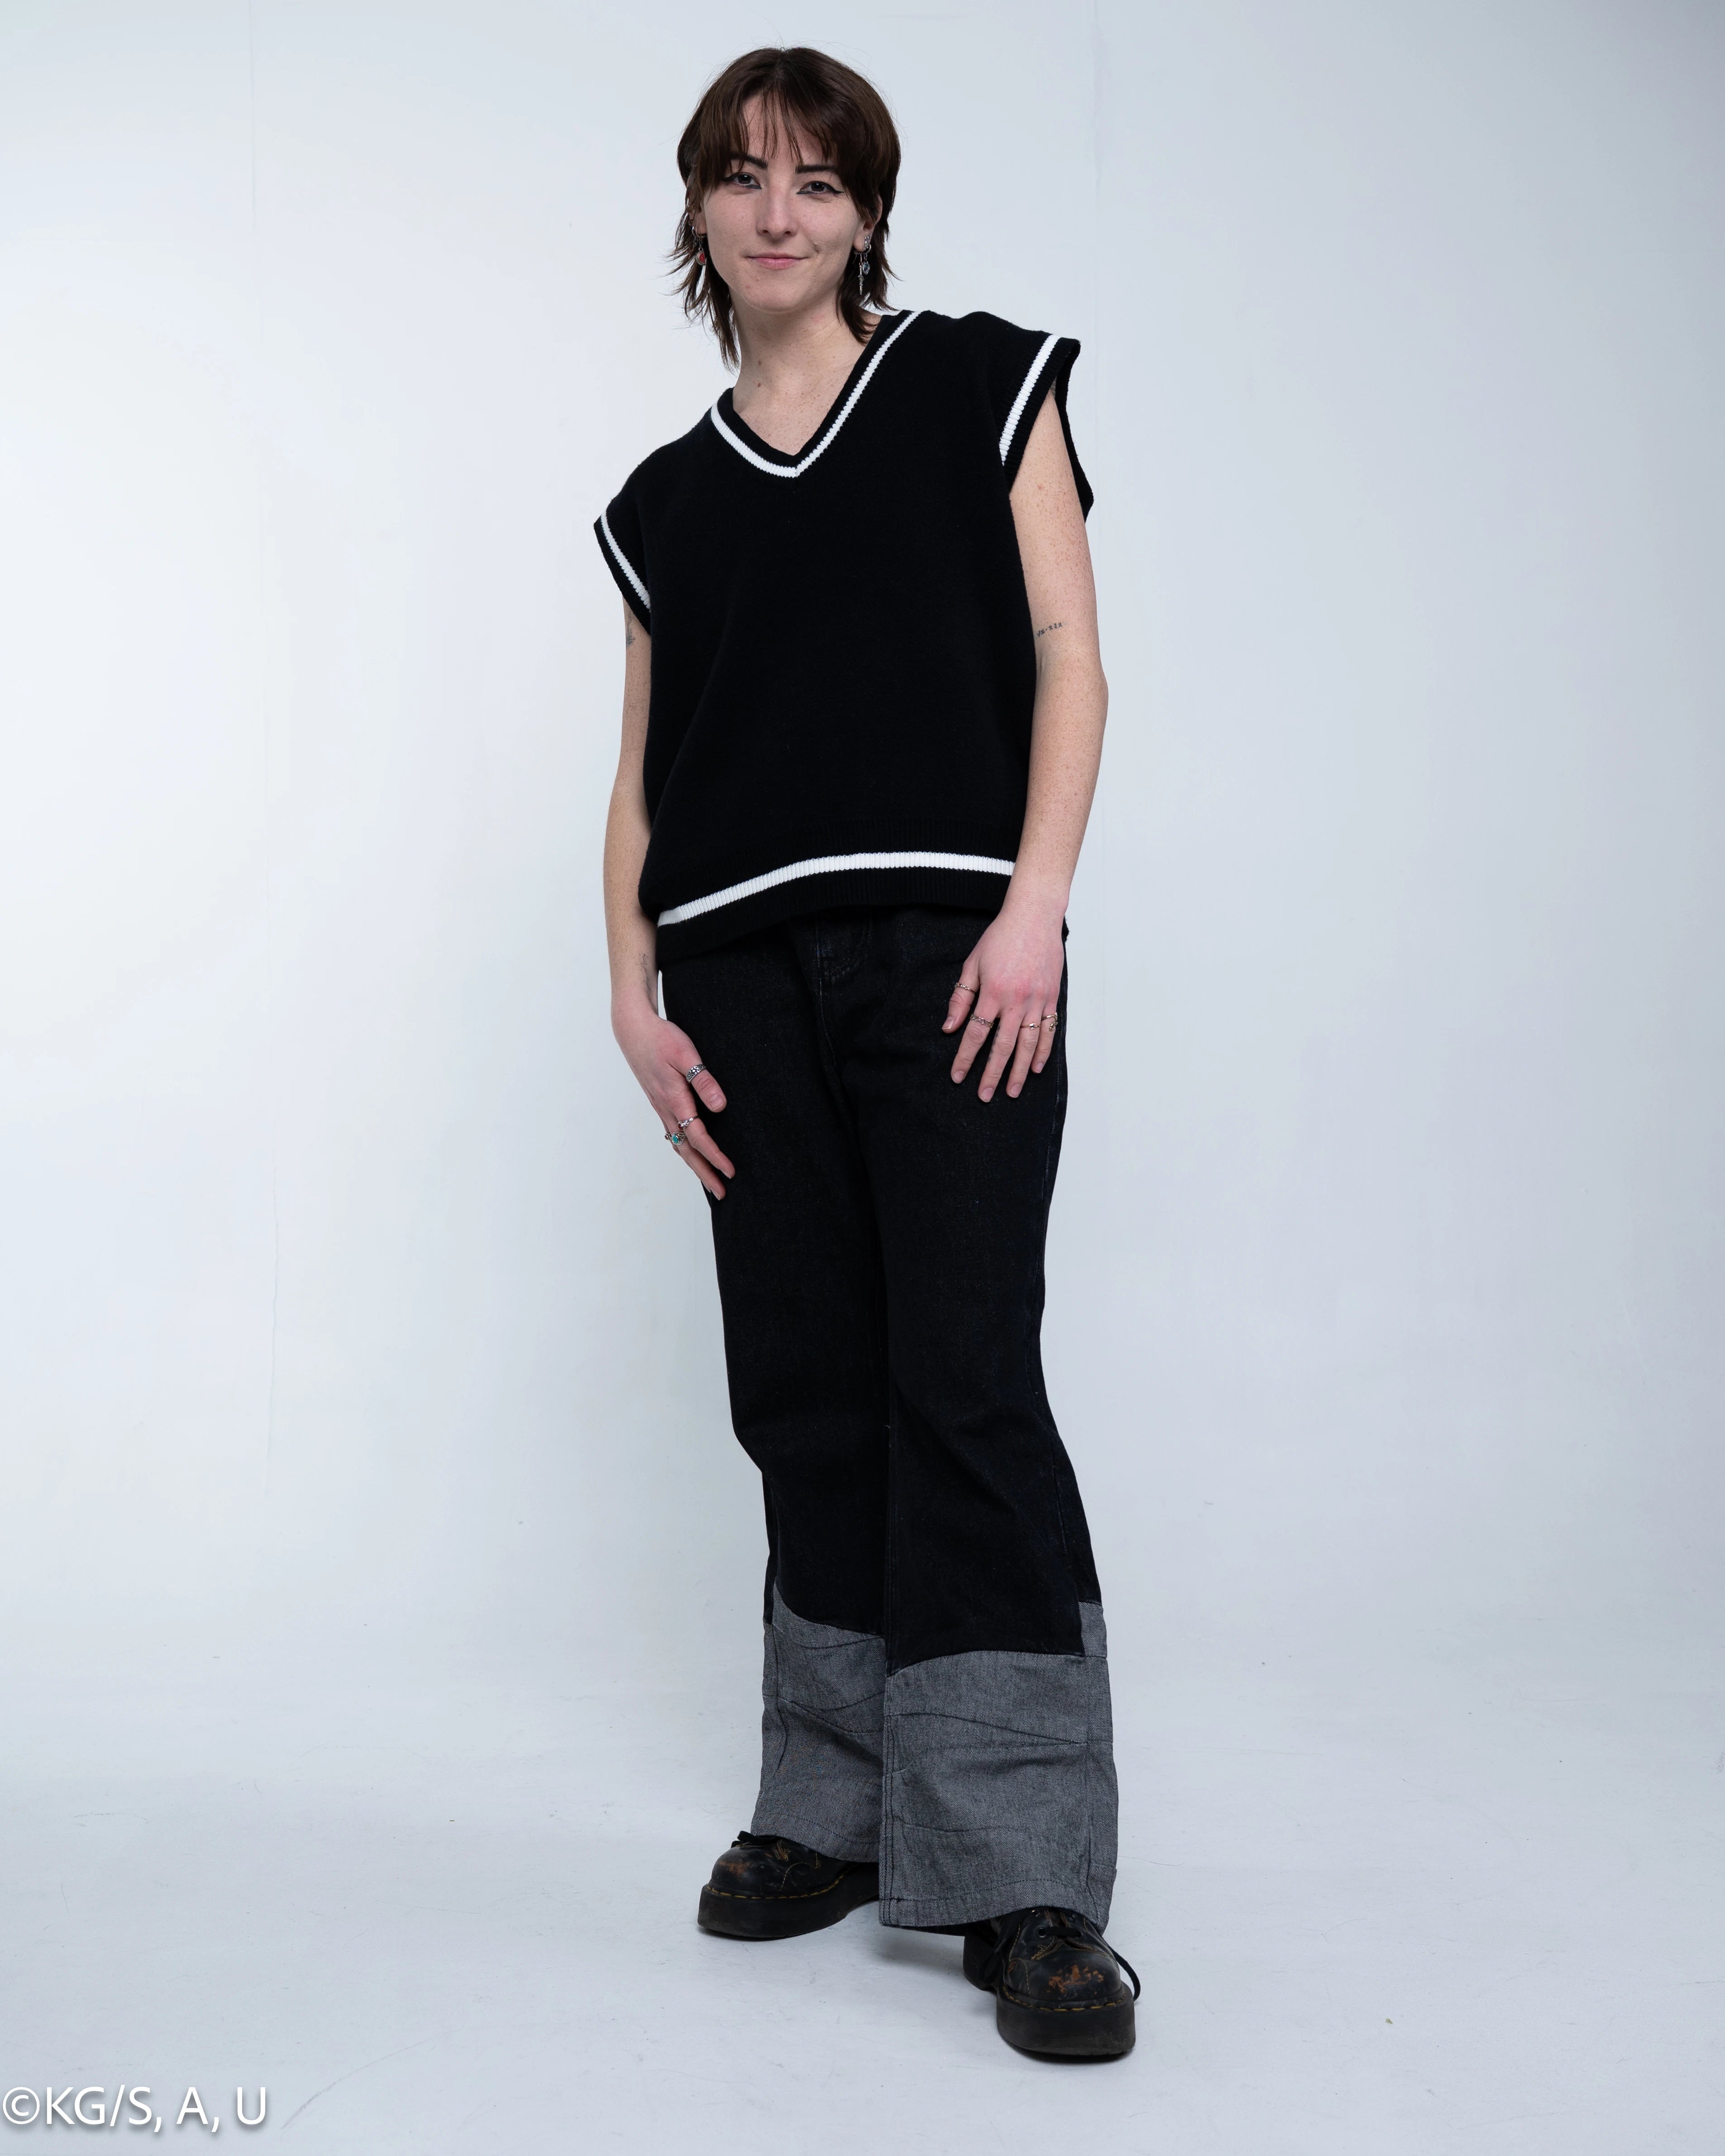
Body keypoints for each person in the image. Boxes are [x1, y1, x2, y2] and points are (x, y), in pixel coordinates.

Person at [595, 46, 1135, 2061]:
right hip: (735, 980)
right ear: (697, 210)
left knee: (960, 1377)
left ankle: (1025, 1878)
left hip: (951, 951)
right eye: (741, 177)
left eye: (814, 181)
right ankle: (826, 1807)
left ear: (864, 212)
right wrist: (631, 991)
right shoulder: (661, 505)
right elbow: (642, 778)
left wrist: (1031, 906)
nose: (776, 211)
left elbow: (1070, 653)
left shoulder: (979, 384)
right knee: (803, 1387)